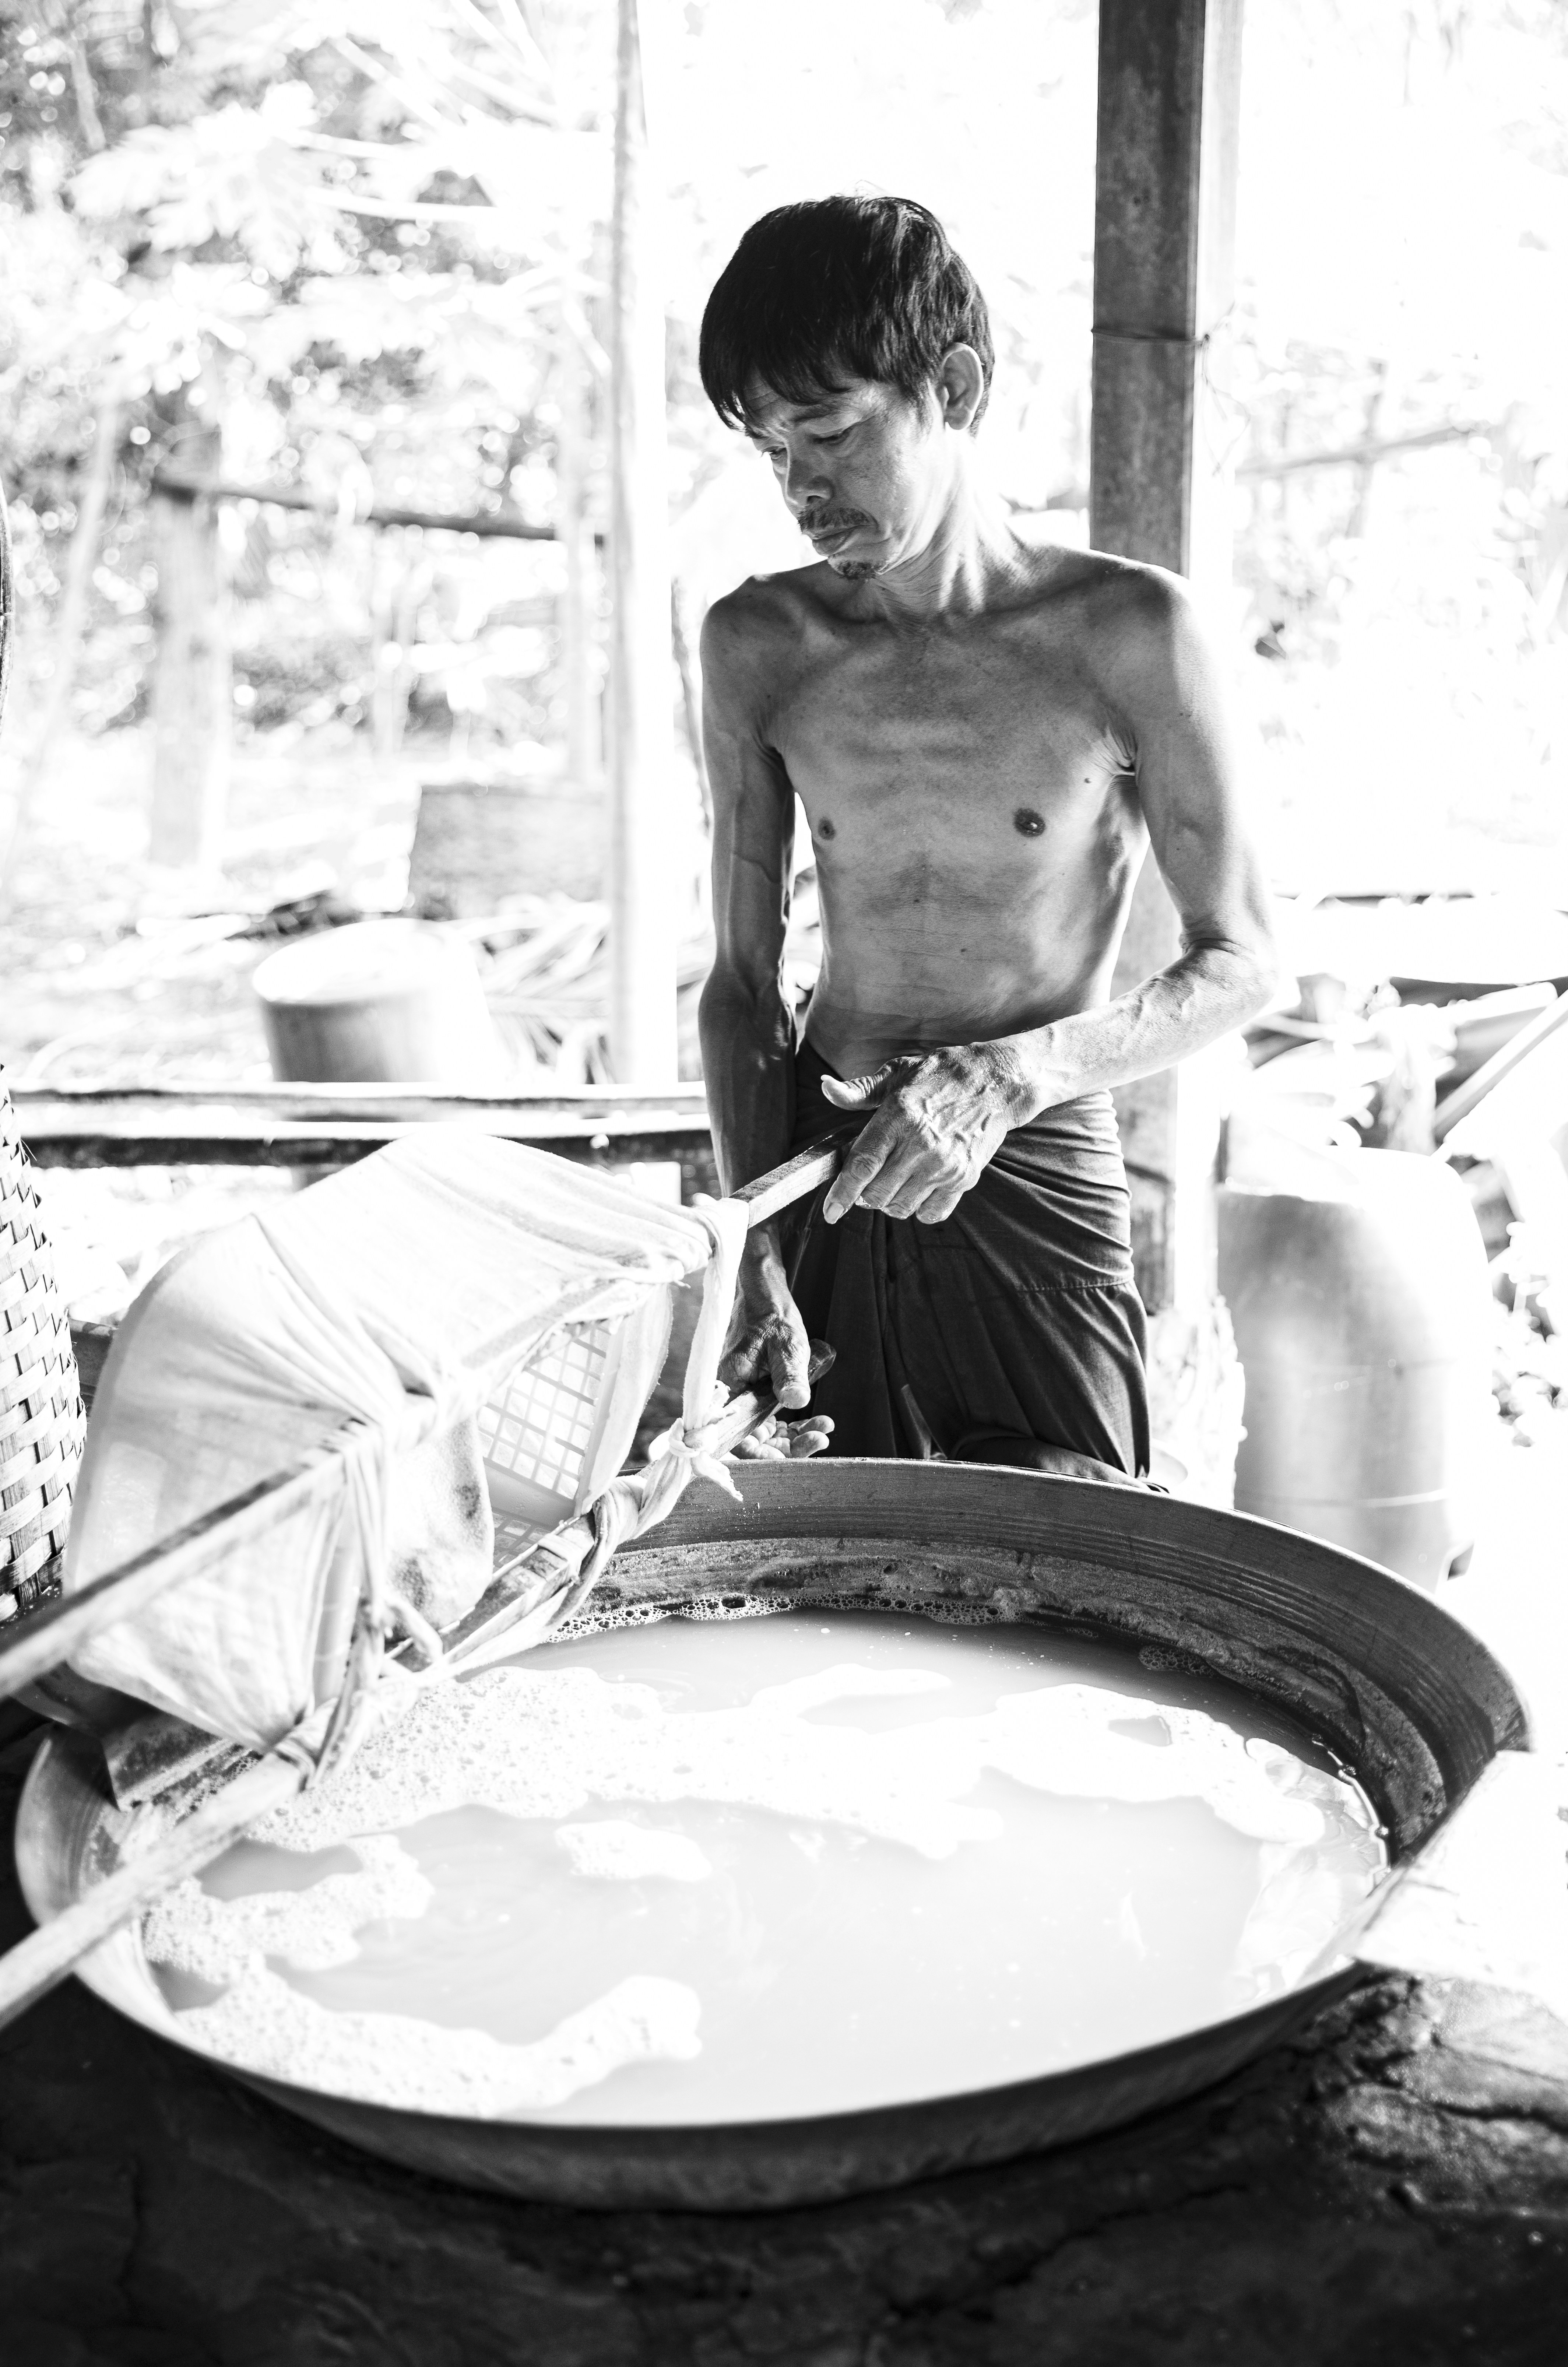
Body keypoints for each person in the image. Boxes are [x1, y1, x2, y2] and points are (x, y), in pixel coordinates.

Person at [696, 195, 1278, 1481]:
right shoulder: (758, 646)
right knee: (824, 1567)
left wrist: (1007, 1078)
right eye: (771, 444)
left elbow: (1242, 962)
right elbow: (741, 987)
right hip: (818, 1161)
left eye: (834, 428)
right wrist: (750, 1248)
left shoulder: (1126, 632)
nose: (800, 483)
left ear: (949, 387)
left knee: (1068, 1568)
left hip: (1034, 1158)